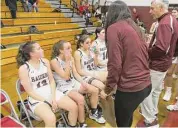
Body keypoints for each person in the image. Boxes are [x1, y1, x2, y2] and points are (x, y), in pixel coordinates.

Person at [104, 1, 151, 127]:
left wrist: (108, 88)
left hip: (130, 88)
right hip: (145, 83)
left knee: (122, 123)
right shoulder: (134, 26)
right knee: (127, 117)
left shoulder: (114, 28)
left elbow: (115, 64)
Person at [16, 41, 79, 127]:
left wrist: (53, 98)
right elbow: (30, 92)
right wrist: (47, 101)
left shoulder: (45, 62)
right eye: (39, 49)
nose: (42, 50)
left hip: (52, 93)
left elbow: (52, 81)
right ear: (32, 54)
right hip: (37, 99)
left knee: (73, 107)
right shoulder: (23, 69)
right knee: (51, 118)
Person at [139, 0, 178, 127]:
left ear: (161, 8)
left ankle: (150, 121)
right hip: (164, 62)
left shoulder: (165, 23)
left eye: (152, 8)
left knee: (144, 92)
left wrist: (146, 51)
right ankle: (153, 111)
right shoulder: (171, 19)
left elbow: (161, 48)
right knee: (155, 91)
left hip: (158, 64)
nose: (150, 11)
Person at [51, 40, 106, 124]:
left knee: (95, 90)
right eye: (68, 48)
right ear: (61, 50)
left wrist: (83, 82)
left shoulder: (71, 58)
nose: (71, 50)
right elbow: (66, 76)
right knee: (80, 99)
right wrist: (67, 61)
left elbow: (75, 74)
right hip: (64, 87)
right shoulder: (54, 61)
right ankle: (82, 123)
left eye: (70, 48)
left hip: (74, 82)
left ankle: (93, 112)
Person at [163, 7, 178, 101]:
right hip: (174, 51)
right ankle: (168, 91)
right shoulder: (170, 23)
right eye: (172, 12)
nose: (173, 13)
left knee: (175, 74)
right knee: (169, 73)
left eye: (175, 12)